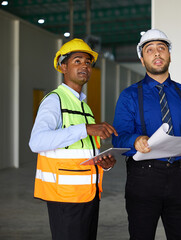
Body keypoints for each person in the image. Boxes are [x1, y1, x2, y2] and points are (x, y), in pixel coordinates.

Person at [112, 29, 181, 239]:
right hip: (143, 177)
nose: (156, 54)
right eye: (150, 50)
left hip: (179, 178)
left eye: (161, 49)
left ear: (169, 55)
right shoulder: (129, 96)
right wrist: (135, 140)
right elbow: (118, 136)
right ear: (142, 58)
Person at [29, 38, 118, 240]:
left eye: (88, 62)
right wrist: (85, 128)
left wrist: (105, 163)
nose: (84, 66)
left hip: (89, 195)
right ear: (63, 67)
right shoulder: (55, 100)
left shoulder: (84, 107)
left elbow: (84, 150)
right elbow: (37, 142)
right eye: (77, 61)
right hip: (65, 198)